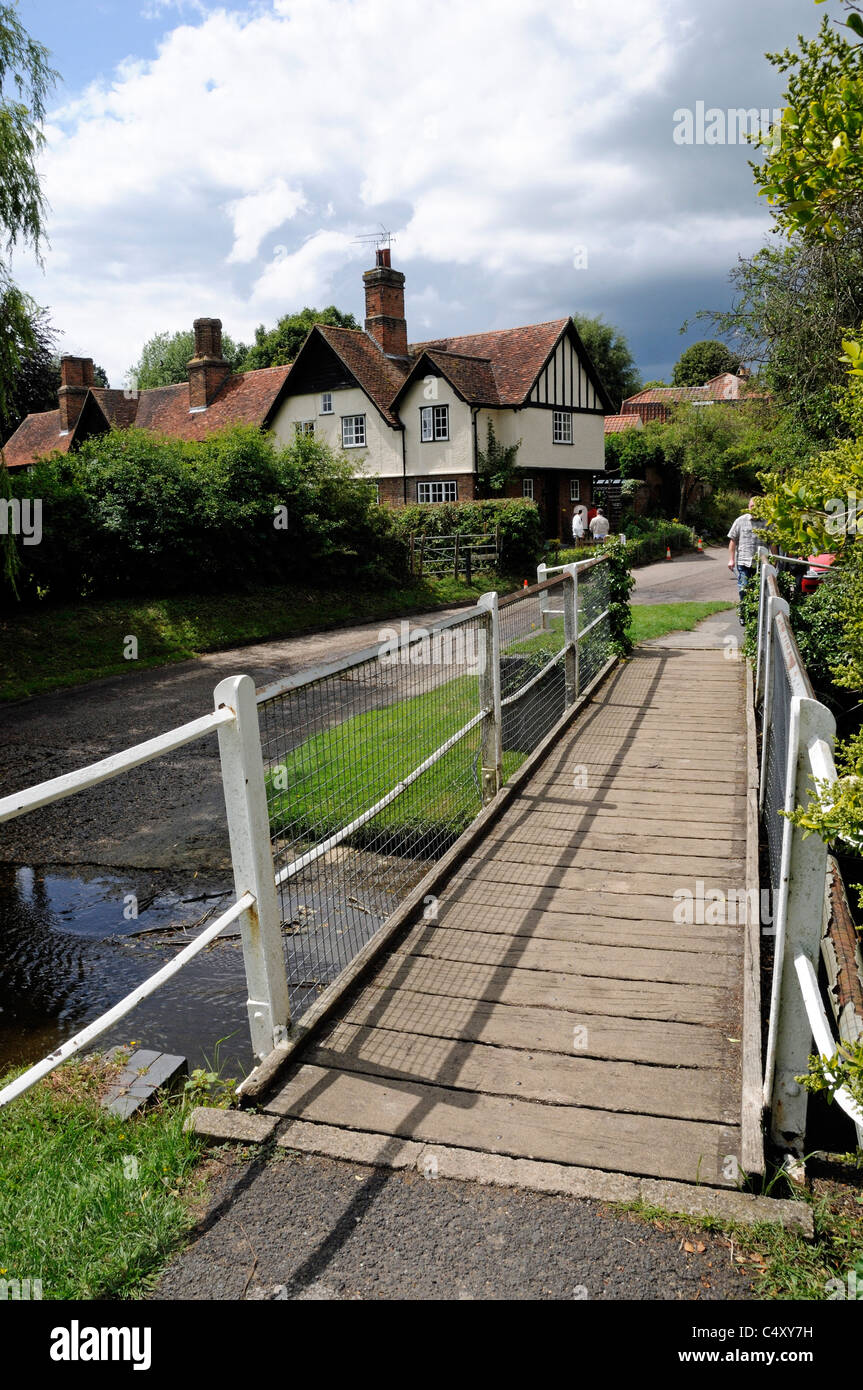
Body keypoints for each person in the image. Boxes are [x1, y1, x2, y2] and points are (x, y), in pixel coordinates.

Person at [727, 496, 765, 620]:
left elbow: (773, 543)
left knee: (757, 590)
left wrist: (773, 562)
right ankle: (743, 613)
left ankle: (755, 615)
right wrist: (731, 559)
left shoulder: (767, 522)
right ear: (748, 506)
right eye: (752, 506)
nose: (754, 509)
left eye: (756, 506)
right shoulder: (740, 521)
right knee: (743, 587)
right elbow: (733, 540)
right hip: (743, 561)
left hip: (760, 563)